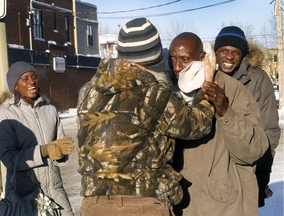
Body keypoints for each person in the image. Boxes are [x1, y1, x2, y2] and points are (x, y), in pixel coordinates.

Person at [76, 18, 216, 216]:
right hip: (141, 205)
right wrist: (206, 86)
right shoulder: (155, 93)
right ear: (155, 58)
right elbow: (197, 125)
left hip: (93, 205)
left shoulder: (88, 91)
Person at [169, 32, 269, 216]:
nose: (177, 66)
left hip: (222, 206)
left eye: (184, 59)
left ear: (202, 58)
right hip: (181, 203)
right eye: (172, 59)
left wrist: (225, 110)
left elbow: (254, 150)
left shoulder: (229, 89)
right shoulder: (168, 91)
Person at [0, 61, 75, 215]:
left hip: (55, 192)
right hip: (24, 198)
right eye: (25, 78)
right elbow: (8, 159)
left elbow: (60, 150)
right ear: (15, 85)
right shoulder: (5, 114)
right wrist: (43, 151)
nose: (31, 82)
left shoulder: (50, 110)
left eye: (34, 77)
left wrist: (60, 153)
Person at [214, 26, 281, 207]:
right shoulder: (208, 77)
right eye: (224, 51)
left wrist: (262, 172)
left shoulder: (258, 80)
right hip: (214, 168)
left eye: (235, 52)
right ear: (216, 53)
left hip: (247, 166)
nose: (229, 57)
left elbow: (269, 129)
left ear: (243, 55)